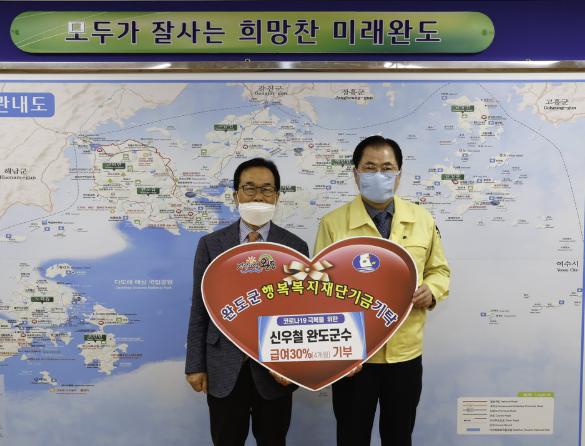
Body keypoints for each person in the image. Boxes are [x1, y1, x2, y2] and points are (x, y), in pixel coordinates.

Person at [314, 135, 450, 446]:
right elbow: (319, 290)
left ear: (399, 174)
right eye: (370, 167)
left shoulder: (422, 220)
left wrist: (431, 290)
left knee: (399, 436)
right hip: (353, 357)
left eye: (387, 168)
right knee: (351, 437)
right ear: (355, 173)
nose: (379, 175)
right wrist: (338, 350)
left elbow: (440, 271)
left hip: (405, 354)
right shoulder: (333, 223)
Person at [185, 158, 309, 446]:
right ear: (235, 195)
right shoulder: (211, 245)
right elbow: (199, 309)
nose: (258, 196)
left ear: (277, 196)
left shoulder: (294, 247)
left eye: (266, 189)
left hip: (275, 371)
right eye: (249, 188)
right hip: (223, 366)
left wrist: (293, 366)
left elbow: (300, 312)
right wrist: (195, 365)